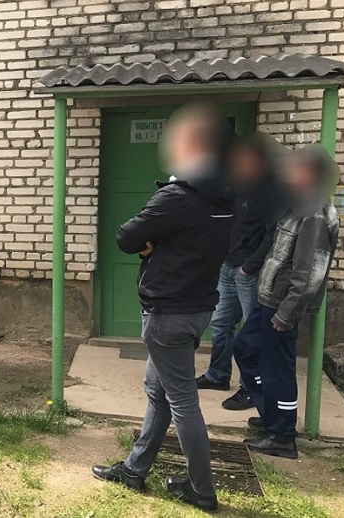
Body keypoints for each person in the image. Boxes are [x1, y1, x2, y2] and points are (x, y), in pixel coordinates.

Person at [92, 104, 234, 512]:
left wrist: (149, 246)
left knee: (182, 401)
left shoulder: (177, 196)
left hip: (168, 314)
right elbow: (199, 243)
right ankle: (134, 470)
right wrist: (163, 245)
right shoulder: (227, 196)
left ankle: (202, 490)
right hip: (198, 308)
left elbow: (126, 237)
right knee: (159, 393)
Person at [235, 144, 339, 459]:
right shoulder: (297, 206)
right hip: (268, 299)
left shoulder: (313, 214)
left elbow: (309, 274)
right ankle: (273, 413)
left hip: (281, 306)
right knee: (245, 349)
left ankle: (282, 436)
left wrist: (286, 314)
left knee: (277, 369)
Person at [195, 133, 286, 413]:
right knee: (221, 323)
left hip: (249, 271)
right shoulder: (240, 184)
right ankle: (217, 375)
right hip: (229, 266)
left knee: (250, 333)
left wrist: (250, 266)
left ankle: (250, 388)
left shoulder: (272, 190)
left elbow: (273, 235)